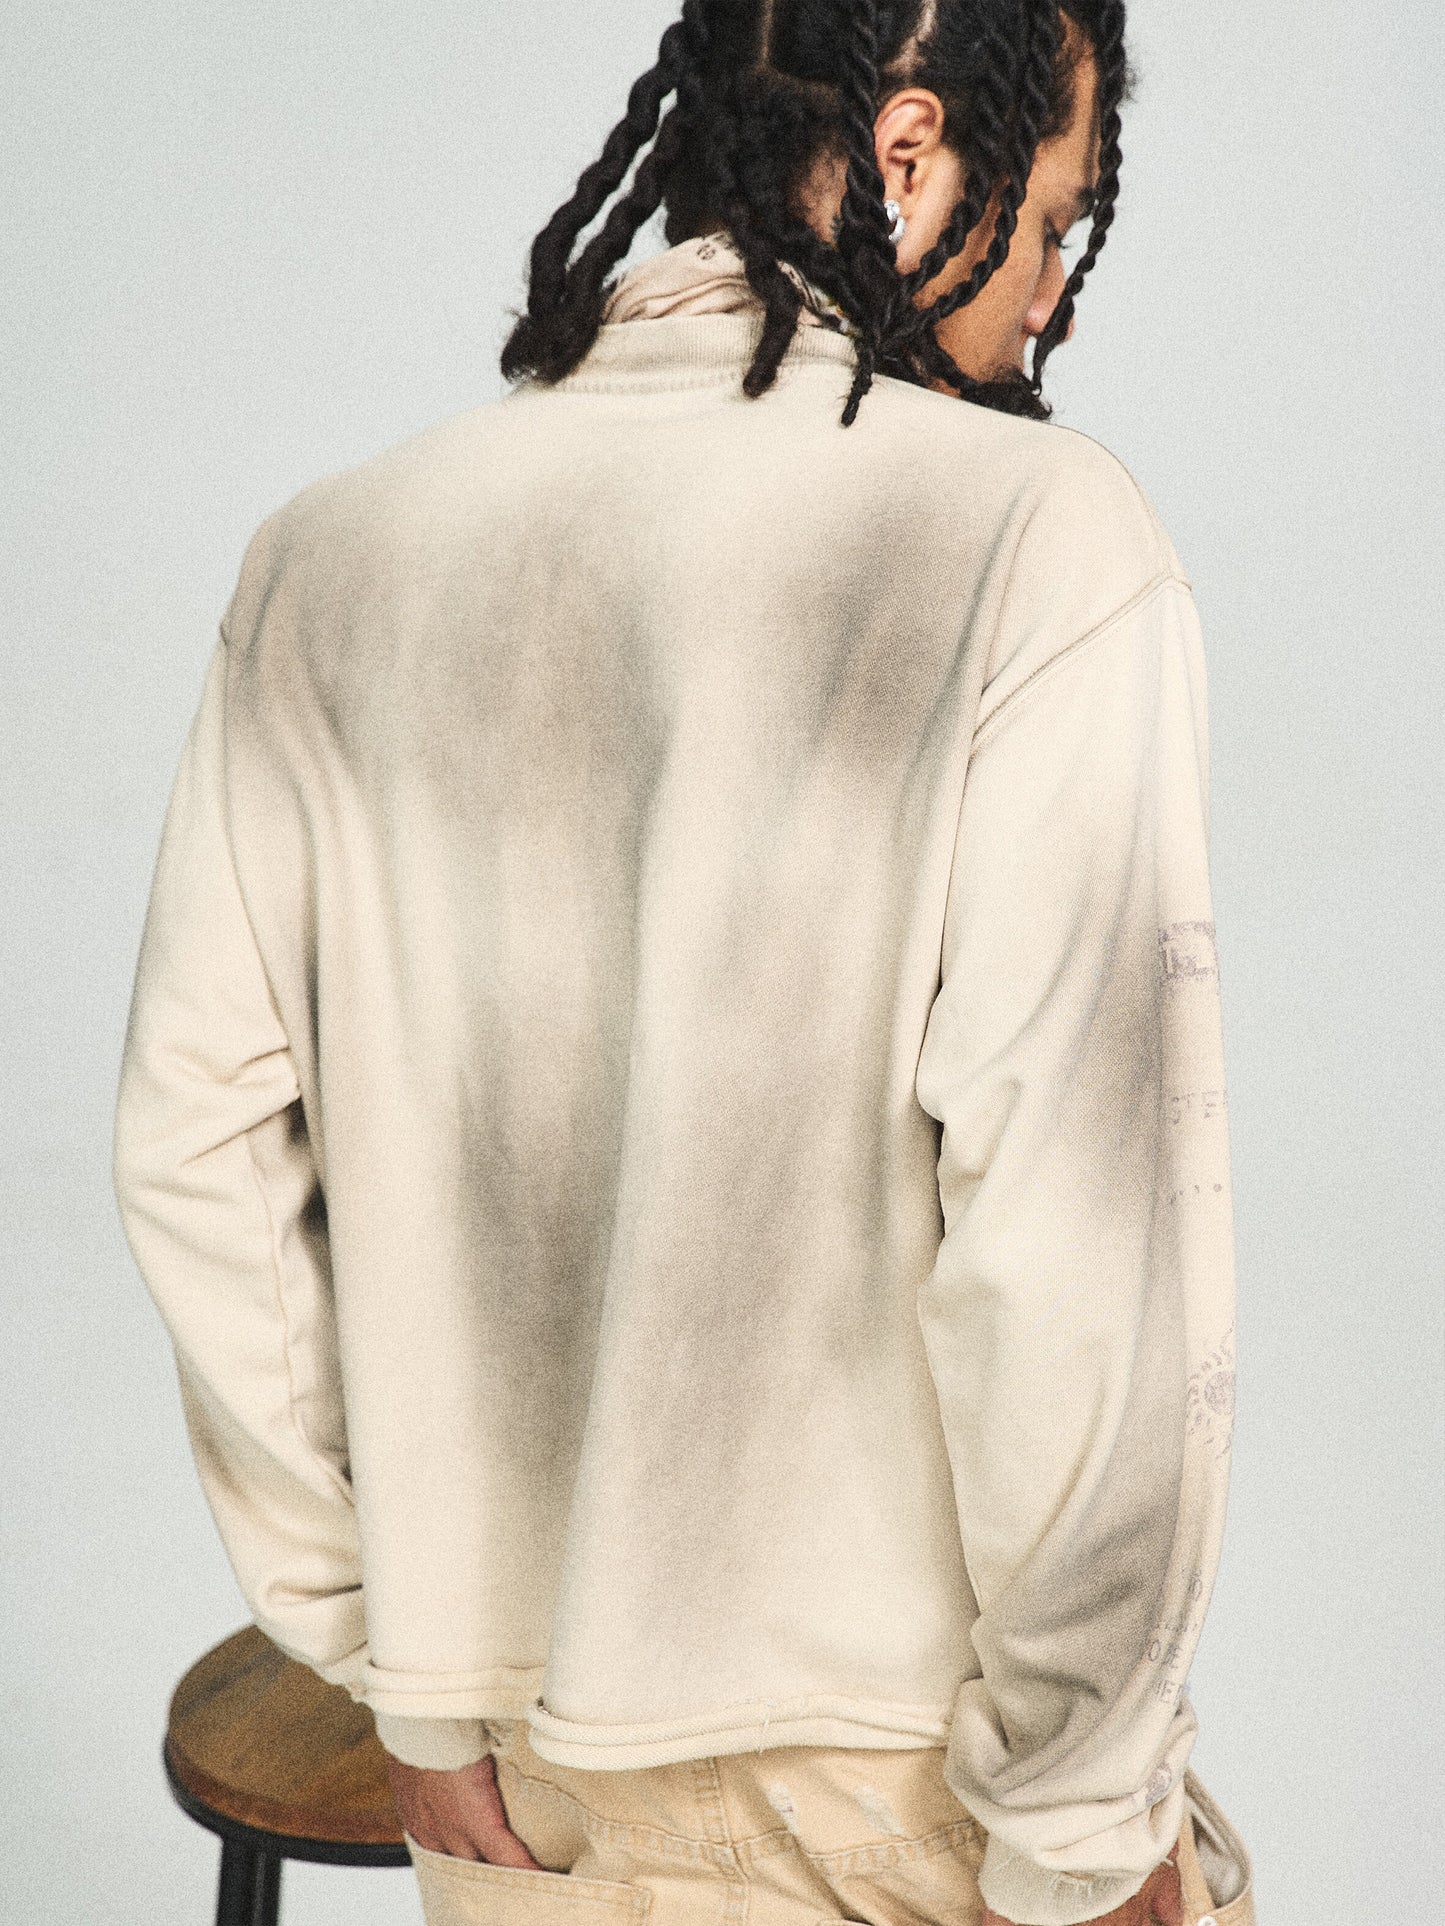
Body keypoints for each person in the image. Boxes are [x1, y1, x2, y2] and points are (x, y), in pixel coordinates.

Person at [111, 3, 1255, 1923]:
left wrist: (400, 1665)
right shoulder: (1032, 544)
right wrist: (1080, 1811)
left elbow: (194, 1149)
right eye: (1055, 221)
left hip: (517, 1784)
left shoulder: (327, 561)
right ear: (908, 152)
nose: (1052, 293)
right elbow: (1076, 1256)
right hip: (903, 1783)